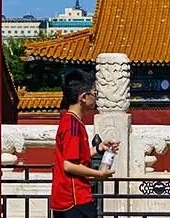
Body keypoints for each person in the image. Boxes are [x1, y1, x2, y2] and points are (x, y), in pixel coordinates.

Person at [50, 69, 120, 218]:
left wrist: (99, 148)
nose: (95, 97)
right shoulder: (73, 126)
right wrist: (99, 174)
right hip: (74, 199)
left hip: (68, 198)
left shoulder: (70, 121)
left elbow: (76, 156)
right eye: (93, 93)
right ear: (83, 97)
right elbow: (69, 165)